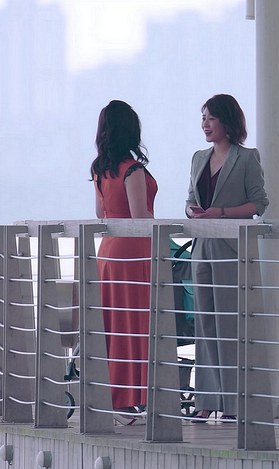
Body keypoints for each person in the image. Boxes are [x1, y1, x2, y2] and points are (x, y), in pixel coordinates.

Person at [185, 94, 269, 422]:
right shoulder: (198, 158)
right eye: (203, 118)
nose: (205, 124)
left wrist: (219, 213)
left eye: (211, 118)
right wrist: (193, 211)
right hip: (202, 248)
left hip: (232, 250)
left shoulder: (247, 158)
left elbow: (258, 204)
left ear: (227, 122)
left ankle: (235, 403)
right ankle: (206, 400)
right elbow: (190, 199)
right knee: (205, 324)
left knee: (231, 325)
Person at [90, 100, 157, 426]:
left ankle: (114, 398)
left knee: (113, 324)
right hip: (134, 253)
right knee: (134, 325)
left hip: (108, 252)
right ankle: (130, 399)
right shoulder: (132, 170)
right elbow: (141, 218)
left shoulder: (100, 169)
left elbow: (100, 214)